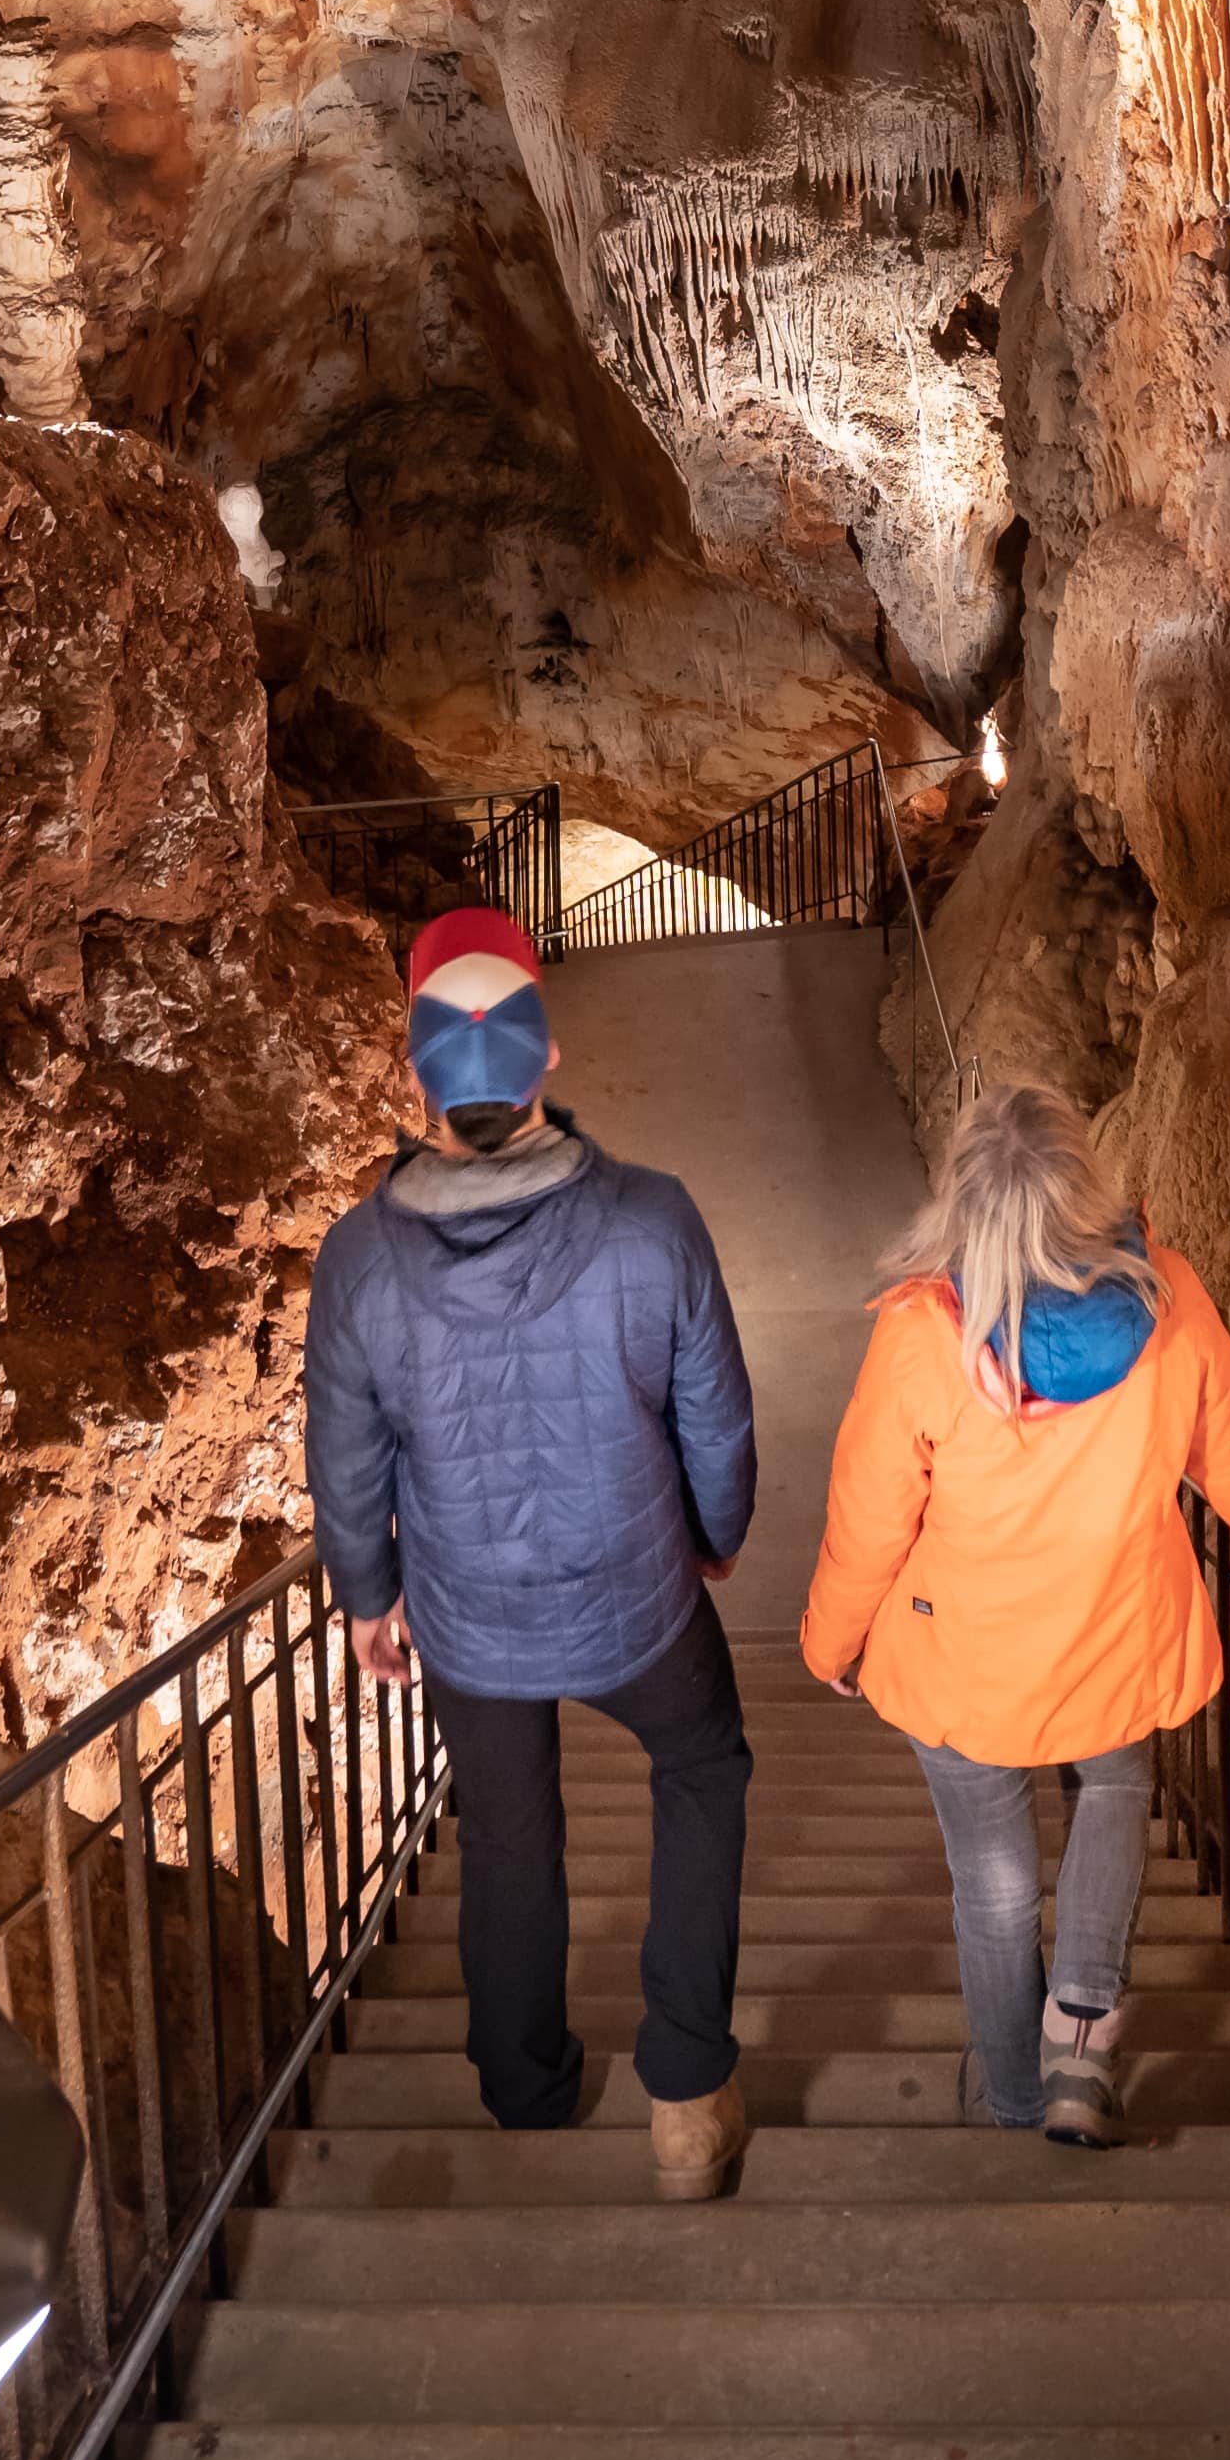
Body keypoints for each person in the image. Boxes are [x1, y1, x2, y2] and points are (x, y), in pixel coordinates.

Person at [303, 904, 761, 2200]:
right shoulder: (653, 1220)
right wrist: (715, 1538)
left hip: (471, 1618)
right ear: (547, 1060)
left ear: (418, 1079)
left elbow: (346, 1455)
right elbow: (715, 1418)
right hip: (641, 1599)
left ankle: (524, 2087)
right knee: (702, 1765)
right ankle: (684, 2085)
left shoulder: (359, 1262)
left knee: (507, 1838)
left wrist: (367, 1599)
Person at [799, 1077, 1230, 2148]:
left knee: (992, 1887)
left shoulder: (925, 1335)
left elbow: (866, 1517)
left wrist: (832, 1640)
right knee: (1116, 1781)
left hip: (964, 1661)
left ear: (960, 1202)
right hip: (1112, 1636)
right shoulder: (1167, 1301)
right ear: (1086, 1183)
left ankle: (1010, 2090)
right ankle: (1079, 2035)